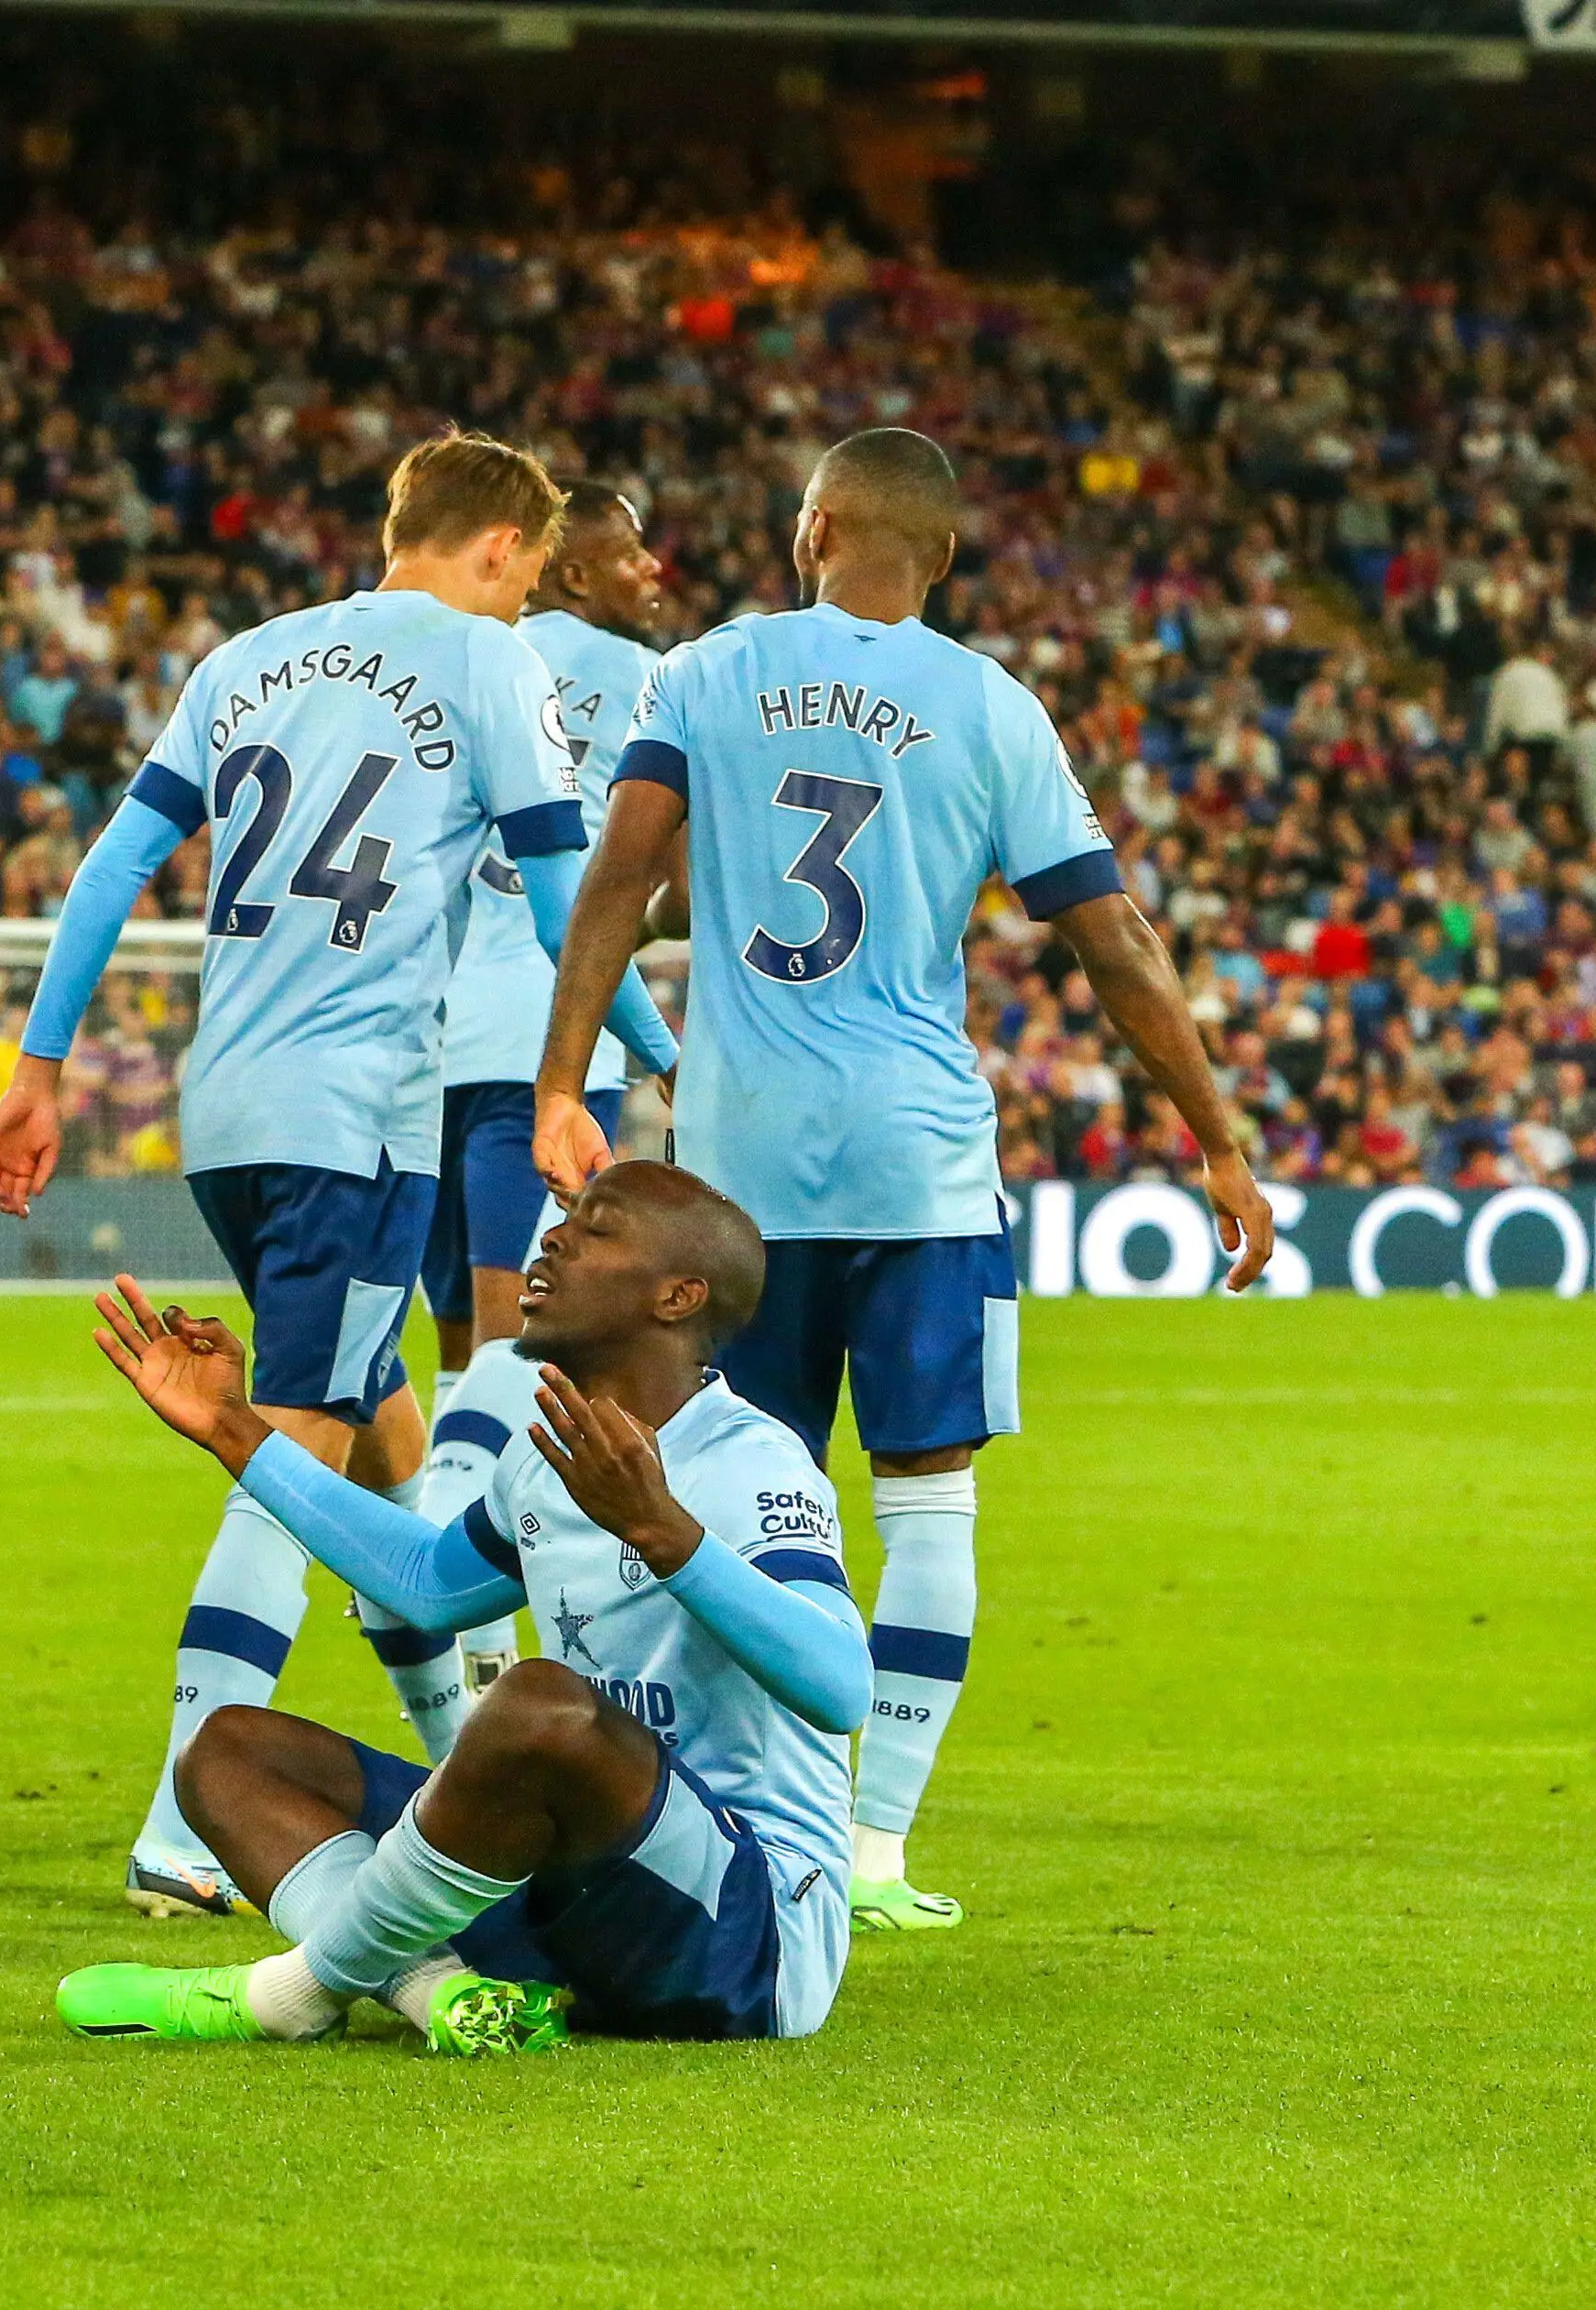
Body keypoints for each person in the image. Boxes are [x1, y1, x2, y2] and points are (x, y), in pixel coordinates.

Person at [530, 427, 1273, 1932]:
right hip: (923, 1166)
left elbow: (616, 880)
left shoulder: (709, 673)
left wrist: (562, 1079)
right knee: (927, 1507)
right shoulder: (995, 710)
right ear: (939, 556)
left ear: (811, 533)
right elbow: (1110, 940)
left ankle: (734, 1816)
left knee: (740, 1498)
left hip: (738, 1178)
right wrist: (1217, 1132)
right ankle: (874, 1851)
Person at [0, 432, 677, 1919]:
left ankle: (455, 1775)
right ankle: (184, 1812)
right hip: (357, 1116)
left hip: (226, 1111)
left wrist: (38, 1067)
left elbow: (113, 866)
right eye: (526, 574)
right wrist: (661, 1056)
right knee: (274, 1444)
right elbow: (572, 907)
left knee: (380, 1439)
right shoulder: (495, 671)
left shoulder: (247, 657)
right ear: (500, 551)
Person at [52, 1161, 868, 2054]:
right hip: (581, 1899)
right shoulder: (543, 1457)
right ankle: (440, 1993)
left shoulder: (750, 1461)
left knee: (535, 1704)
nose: (553, 1238)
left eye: (598, 1229)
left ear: (676, 1296)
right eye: (564, 1219)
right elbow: (430, 1584)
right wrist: (236, 1431)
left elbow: (838, 1687)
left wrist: (667, 1534)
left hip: (746, 1945)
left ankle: (293, 1991)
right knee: (229, 1755)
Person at [414, 479, 675, 1719]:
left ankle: (476, 1670)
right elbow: (638, 883)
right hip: (553, 1051)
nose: (652, 570)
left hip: (428, 1044)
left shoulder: (473, 655)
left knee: (460, 1354)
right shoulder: (645, 678)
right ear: (573, 571)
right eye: (629, 553)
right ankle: (467, 1637)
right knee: (527, 1360)